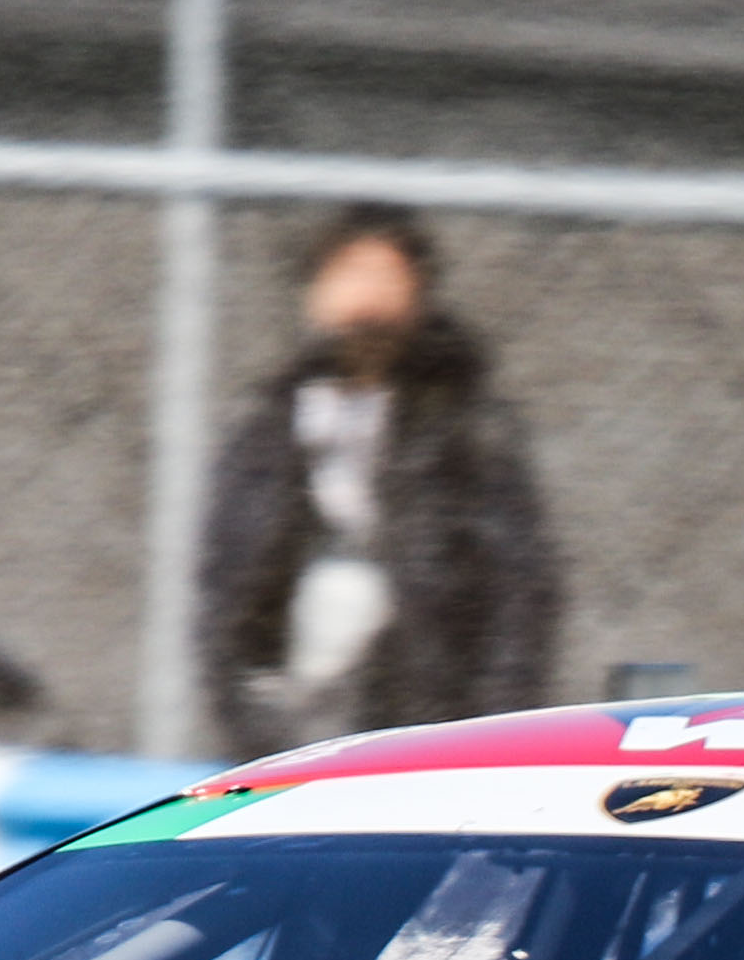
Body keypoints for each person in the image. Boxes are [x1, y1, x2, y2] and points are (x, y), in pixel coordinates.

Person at [193, 206, 562, 755]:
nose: (365, 297)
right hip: (292, 714)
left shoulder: (464, 432)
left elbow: (519, 593)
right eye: (348, 273)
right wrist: (244, 717)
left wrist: (489, 733)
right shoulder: (271, 429)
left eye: (384, 276)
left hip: (421, 715)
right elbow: (227, 586)